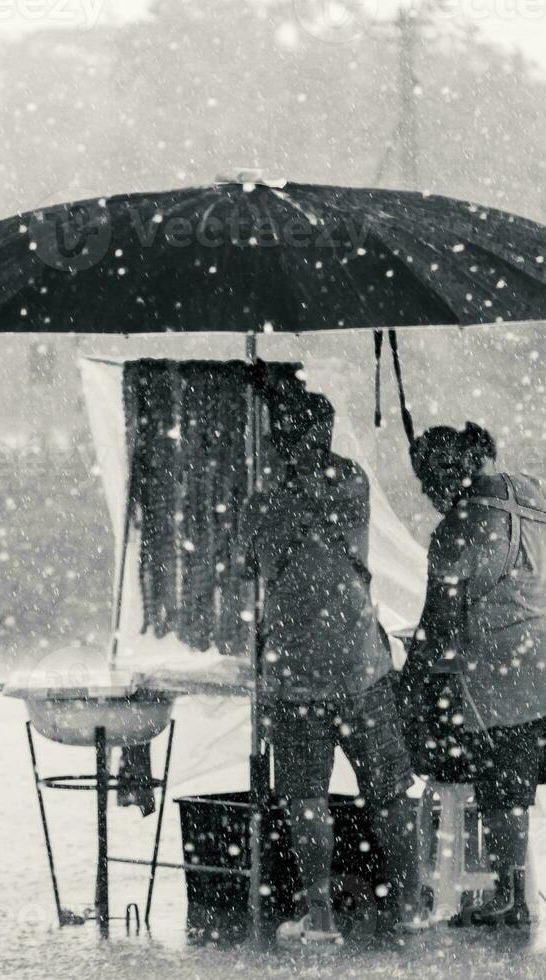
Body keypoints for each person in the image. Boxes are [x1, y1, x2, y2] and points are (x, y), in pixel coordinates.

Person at [407, 421, 546, 926]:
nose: (426, 493)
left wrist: (412, 680)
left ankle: (509, 899)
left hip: (519, 660)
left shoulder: (454, 529)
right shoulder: (536, 486)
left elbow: (436, 624)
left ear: (447, 475)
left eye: (427, 481)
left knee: (504, 781)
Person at [242, 387, 422, 944]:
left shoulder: (262, 503)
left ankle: (317, 915)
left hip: (296, 675)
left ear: (280, 438)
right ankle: (410, 903)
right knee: (389, 790)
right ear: (325, 431)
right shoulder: (352, 484)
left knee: (306, 797)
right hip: (361, 667)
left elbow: (256, 563)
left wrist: (270, 463)